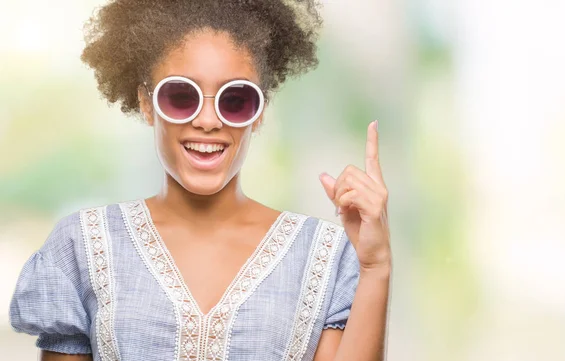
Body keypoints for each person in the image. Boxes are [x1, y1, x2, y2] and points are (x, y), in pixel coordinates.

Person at [8, 0, 392, 360]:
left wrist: (376, 266)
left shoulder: (324, 255)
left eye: (235, 100)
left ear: (259, 113)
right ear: (146, 102)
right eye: (181, 96)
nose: (208, 121)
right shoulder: (81, 247)